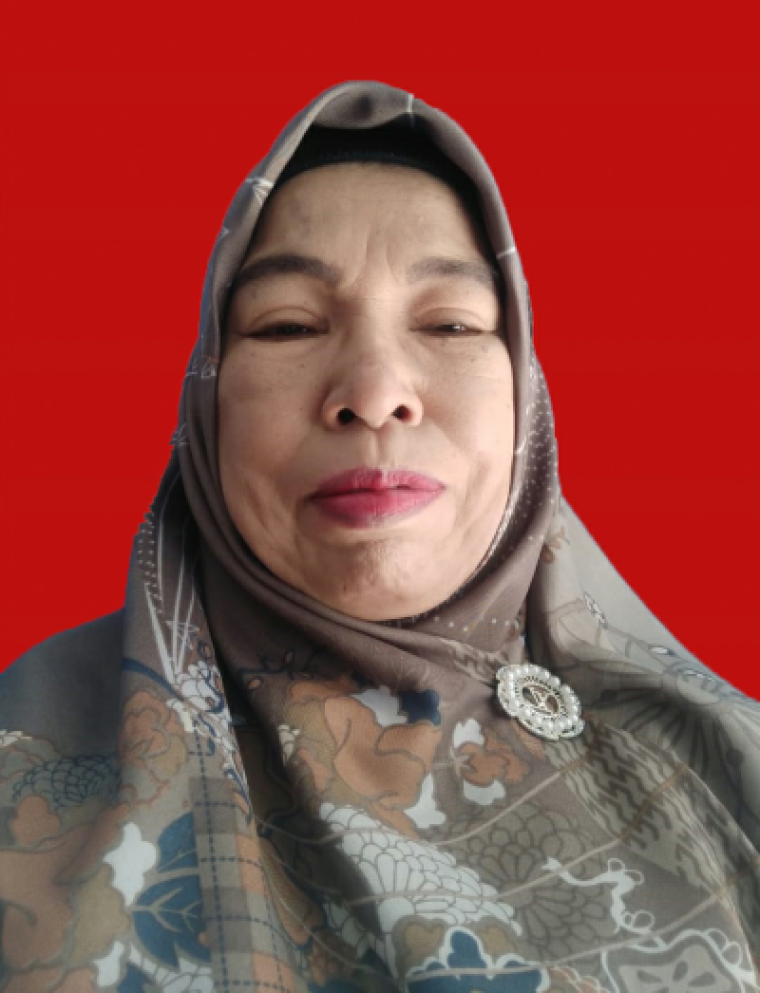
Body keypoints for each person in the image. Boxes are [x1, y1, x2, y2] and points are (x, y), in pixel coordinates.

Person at [0, 80, 758, 993]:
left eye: (449, 323)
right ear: (207, 400)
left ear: (525, 398)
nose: (374, 390)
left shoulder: (725, 764)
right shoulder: (24, 757)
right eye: (288, 325)